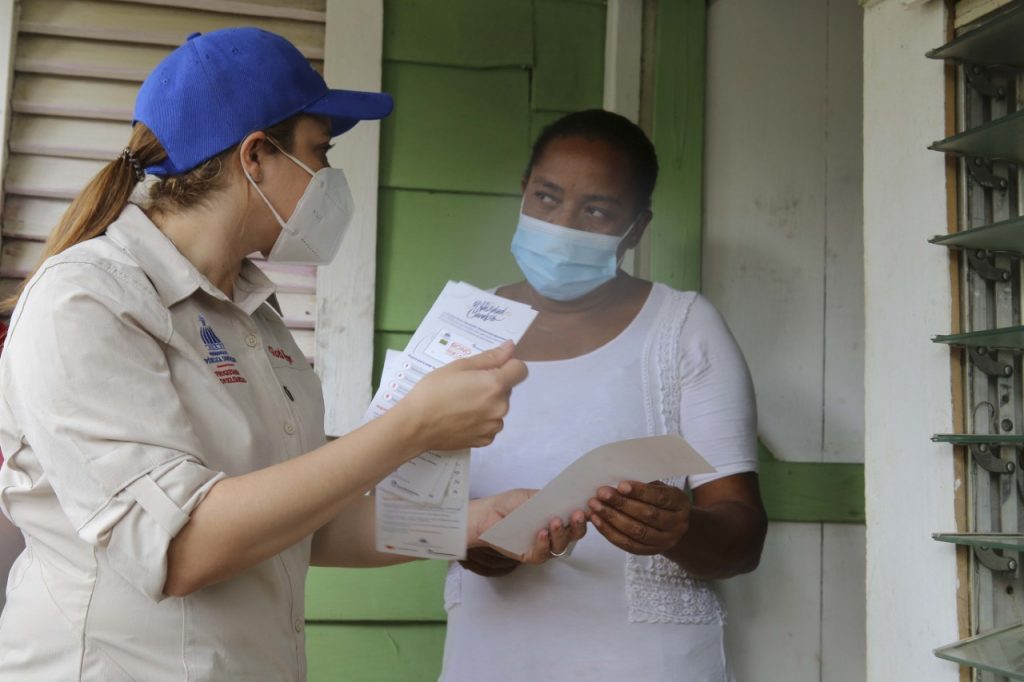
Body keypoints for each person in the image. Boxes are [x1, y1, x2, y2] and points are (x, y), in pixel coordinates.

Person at [0, 29, 583, 681]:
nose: (329, 176)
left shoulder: (255, 316)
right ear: (256, 157)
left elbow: (302, 523)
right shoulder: (86, 301)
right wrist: (413, 426)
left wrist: (469, 523)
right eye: (319, 151)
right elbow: (182, 546)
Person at [439, 110, 768, 682]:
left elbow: (742, 539)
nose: (563, 224)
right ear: (523, 193)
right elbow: (413, 508)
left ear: (636, 229)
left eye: (596, 211)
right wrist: (475, 543)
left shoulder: (684, 328)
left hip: (650, 663)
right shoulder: (463, 325)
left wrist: (681, 529)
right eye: (546, 198)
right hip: (490, 658)